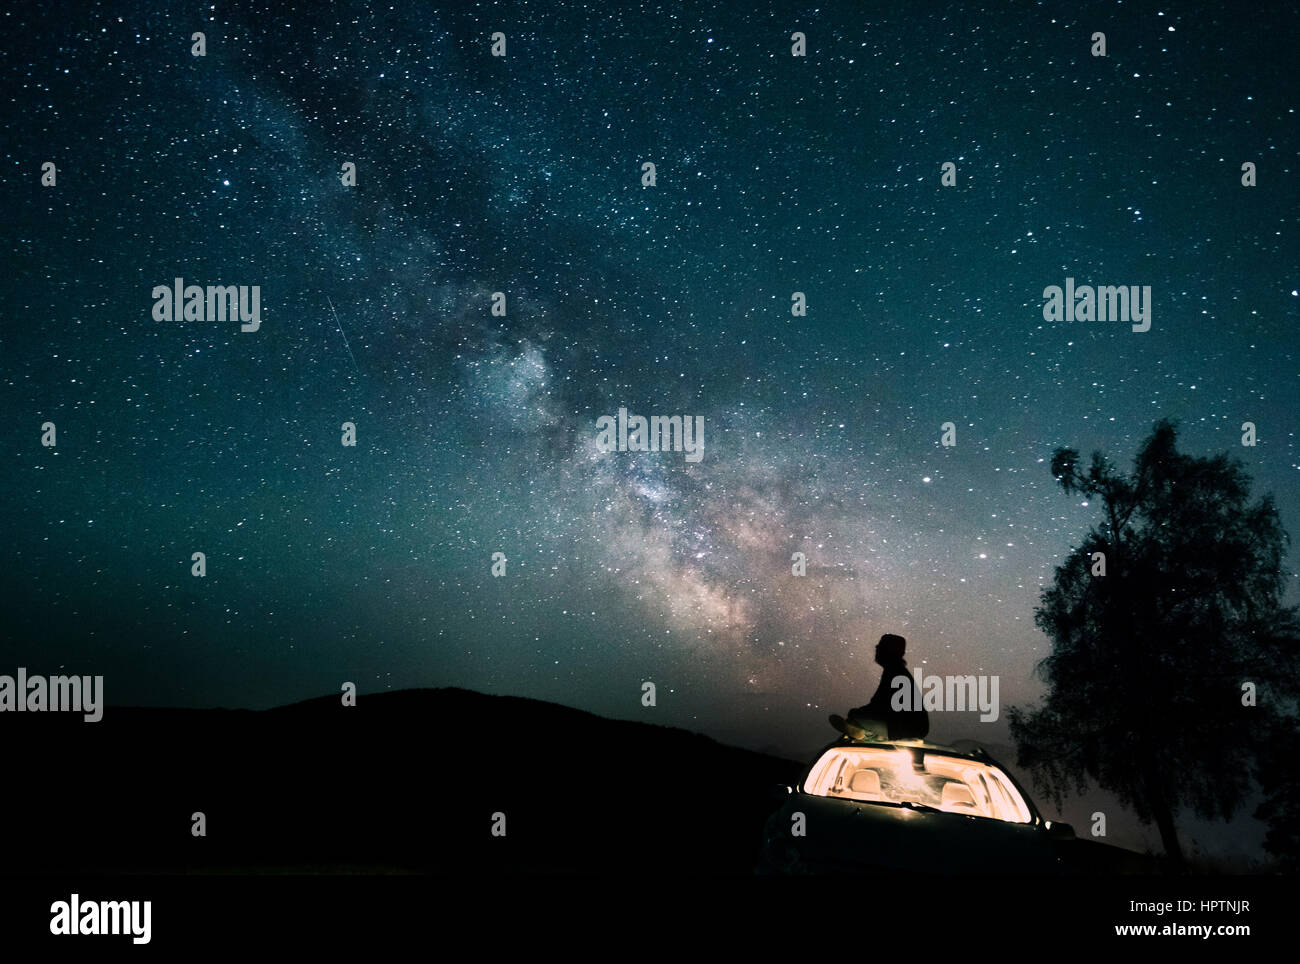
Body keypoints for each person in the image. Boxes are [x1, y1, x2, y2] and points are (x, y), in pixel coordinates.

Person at [831, 633, 929, 741]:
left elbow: (879, 704)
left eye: (881, 645)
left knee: (855, 720)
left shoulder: (894, 673)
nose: (876, 648)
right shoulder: (897, 671)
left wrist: (856, 713)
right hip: (913, 727)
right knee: (858, 720)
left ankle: (866, 734)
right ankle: (870, 734)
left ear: (889, 650)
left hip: (906, 728)